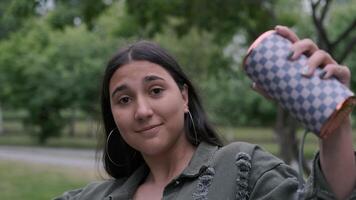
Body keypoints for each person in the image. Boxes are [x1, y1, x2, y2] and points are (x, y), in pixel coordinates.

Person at [54, 26, 356, 200]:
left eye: (156, 90)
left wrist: (336, 124)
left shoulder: (241, 167)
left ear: (184, 97)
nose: (142, 111)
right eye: (123, 100)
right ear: (113, 115)